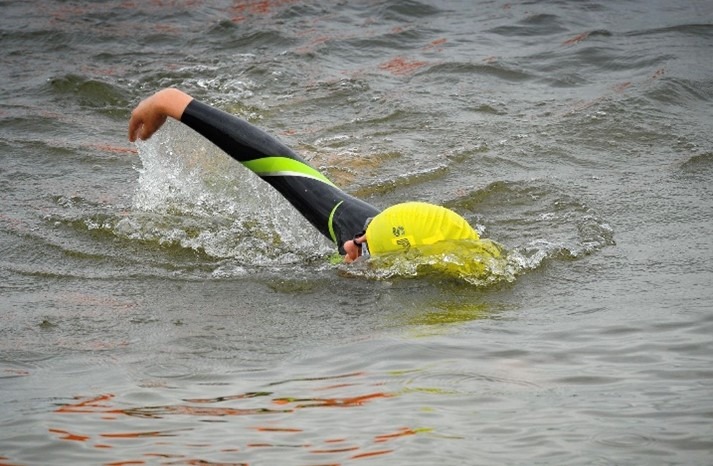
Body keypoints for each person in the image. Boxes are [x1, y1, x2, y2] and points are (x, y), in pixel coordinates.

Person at [128, 88, 482, 263]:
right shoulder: (352, 225)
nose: (349, 246)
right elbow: (277, 164)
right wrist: (170, 103)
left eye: (365, 250)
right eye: (361, 239)